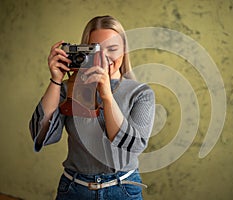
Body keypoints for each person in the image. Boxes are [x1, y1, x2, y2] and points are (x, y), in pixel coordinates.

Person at [29, 15, 155, 200]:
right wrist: (56, 79)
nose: (104, 58)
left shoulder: (141, 92)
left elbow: (132, 146)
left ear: (124, 51)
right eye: (95, 50)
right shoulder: (69, 88)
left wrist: (106, 94)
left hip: (124, 188)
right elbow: (41, 135)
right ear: (84, 51)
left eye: (112, 49)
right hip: (74, 187)